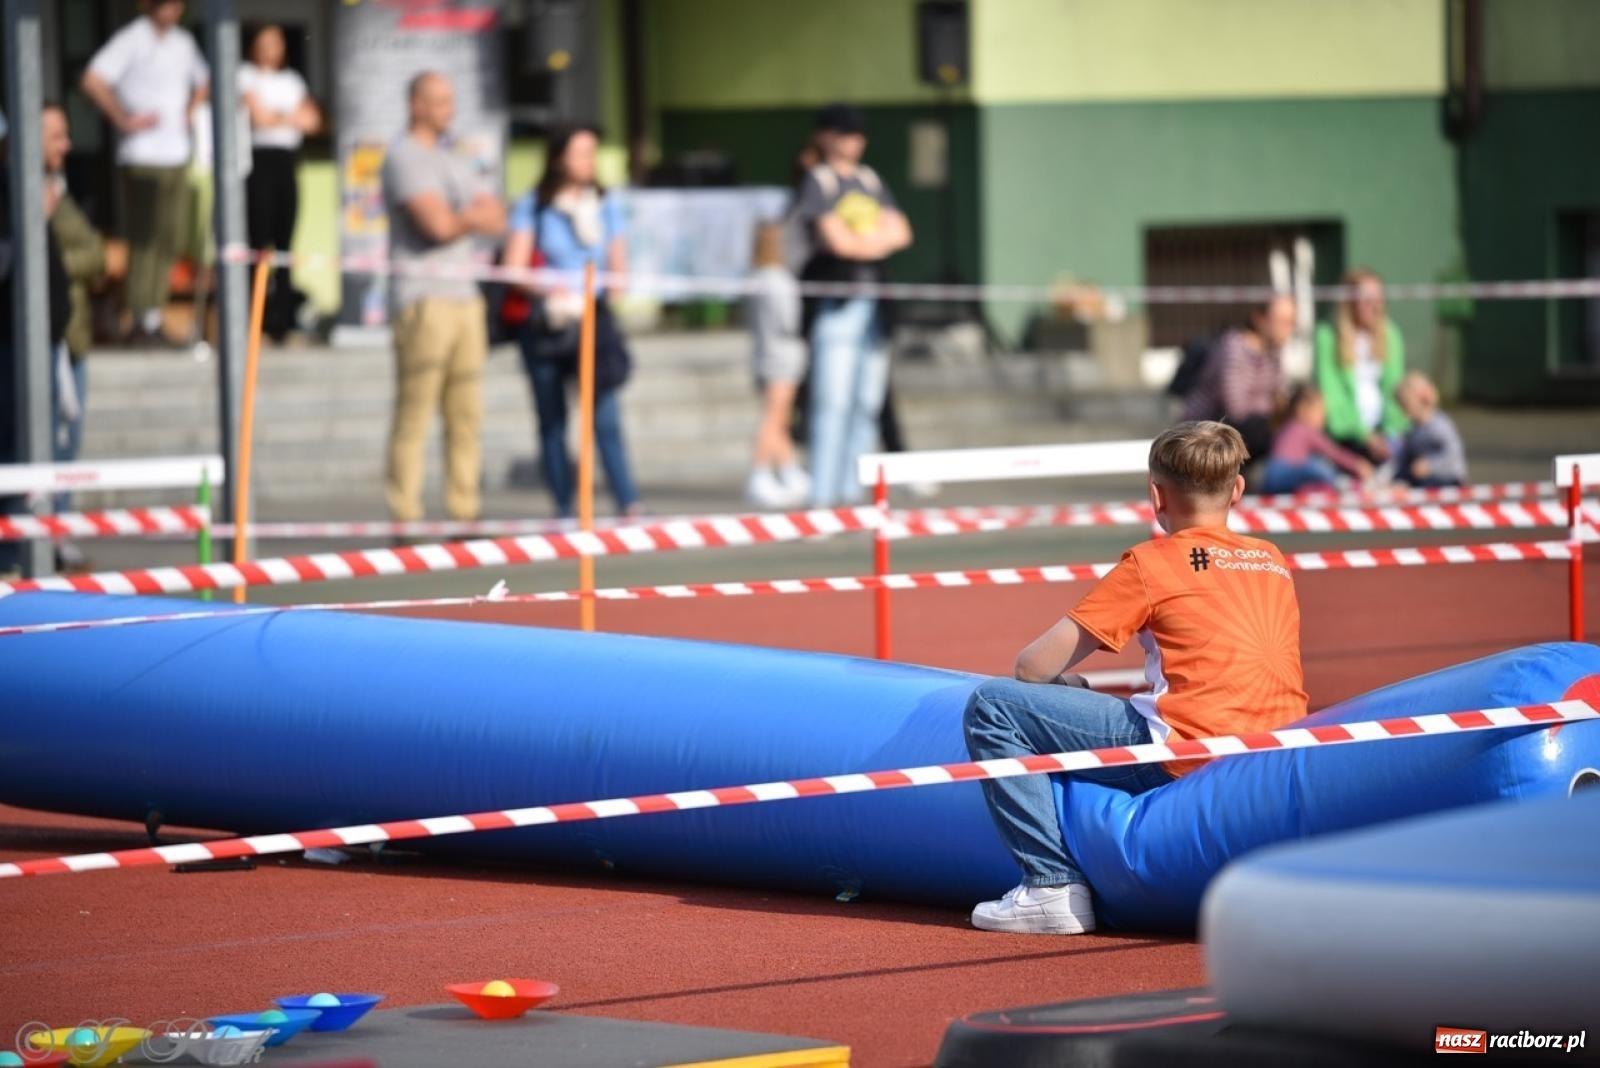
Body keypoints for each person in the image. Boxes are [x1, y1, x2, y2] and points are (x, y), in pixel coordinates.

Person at [963, 421, 1308, 934]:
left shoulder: (1152, 563)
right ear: (1237, 490)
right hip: (1276, 750)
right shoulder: (1271, 559)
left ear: (1155, 496)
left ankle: (1050, 885)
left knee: (992, 706)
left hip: (1186, 750)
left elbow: (1031, 667)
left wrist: (1064, 687)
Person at [381, 71, 505, 525]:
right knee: (415, 413)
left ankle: (464, 512)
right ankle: (405, 517)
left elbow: (495, 215)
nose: (447, 110)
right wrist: (467, 216)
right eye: (438, 101)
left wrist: (463, 216)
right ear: (416, 104)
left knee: (467, 414)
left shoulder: (454, 157)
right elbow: (437, 227)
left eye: (451, 101)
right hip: (422, 298)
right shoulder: (403, 156)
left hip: (465, 297)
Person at [501, 124, 640, 519]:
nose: (588, 162)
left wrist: (608, 286)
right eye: (580, 153)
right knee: (552, 420)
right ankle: (563, 506)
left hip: (593, 320)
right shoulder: (535, 204)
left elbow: (618, 266)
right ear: (560, 157)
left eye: (592, 153)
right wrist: (552, 290)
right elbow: (514, 267)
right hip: (548, 321)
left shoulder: (605, 203)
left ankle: (627, 500)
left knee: (605, 416)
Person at [795, 104, 912, 506]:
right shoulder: (818, 181)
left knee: (867, 402)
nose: (854, 141)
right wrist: (873, 240)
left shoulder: (869, 179)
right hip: (837, 304)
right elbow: (835, 240)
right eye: (845, 133)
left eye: (859, 134)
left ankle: (850, 492)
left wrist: (863, 242)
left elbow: (901, 232)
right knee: (831, 402)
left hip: (875, 304)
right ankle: (822, 497)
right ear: (826, 136)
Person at [82, 0, 209, 346]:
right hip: (141, 154)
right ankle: (139, 315)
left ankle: (154, 313)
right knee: (144, 237)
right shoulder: (132, 38)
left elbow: (205, 80)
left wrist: (190, 110)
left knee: (170, 236)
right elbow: (93, 79)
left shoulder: (184, 42)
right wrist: (123, 118)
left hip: (177, 153)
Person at [0, 135, 74, 578]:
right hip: (13, 345)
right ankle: (11, 553)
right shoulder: (13, 193)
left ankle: (30, 547)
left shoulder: (41, 188)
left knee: (40, 446)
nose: (61, 144)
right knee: (15, 445)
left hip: (46, 340)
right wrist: (34, 219)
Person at [42, 103, 109, 560]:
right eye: (56, 136)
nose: (67, 145)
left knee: (67, 443)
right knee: (41, 444)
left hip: (73, 337)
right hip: (40, 341)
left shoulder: (59, 193)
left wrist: (57, 265)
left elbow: (98, 254)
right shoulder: (23, 191)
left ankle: (56, 532)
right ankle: (34, 539)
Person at [240, 24, 320, 343]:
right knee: (258, 244)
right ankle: (253, 318)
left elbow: (312, 120)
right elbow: (260, 119)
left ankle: (282, 319)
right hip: (258, 161)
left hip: (286, 161)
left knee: (285, 244)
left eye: (276, 43)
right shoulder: (245, 75)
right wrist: (289, 117)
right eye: (265, 43)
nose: (271, 49)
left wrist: (279, 116)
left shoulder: (292, 80)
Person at [1182, 294, 1296, 463]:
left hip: (1243, 430)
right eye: (1283, 322)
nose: (1290, 329)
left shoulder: (1273, 352)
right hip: (1204, 435)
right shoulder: (1233, 348)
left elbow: (1281, 396)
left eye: (1292, 322)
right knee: (1263, 433)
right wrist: (1273, 411)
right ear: (1259, 319)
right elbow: (1236, 408)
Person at [744, 221, 810, 509]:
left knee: (779, 419)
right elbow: (789, 321)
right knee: (774, 418)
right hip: (782, 359)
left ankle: (790, 471)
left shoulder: (755, 278)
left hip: (762, 355)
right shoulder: (780, 280)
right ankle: (759, 472)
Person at [1313, 268, 1409, 464]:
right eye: (1367, 300)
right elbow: (1333, 397)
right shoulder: (1327, 336)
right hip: (1348, 437)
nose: (1375, 307)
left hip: (1386, 433)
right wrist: (1366, 437)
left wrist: (1391, 434)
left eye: (1379, 299)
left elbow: (1395, 389)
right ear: (1349, 302)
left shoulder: (1391, 334)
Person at [1262, 384, 1373, 495]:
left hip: (1270, 478)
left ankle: (1318, 489)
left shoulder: (1285, 426)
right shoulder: (1305, 428)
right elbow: (1334, 453)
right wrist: (1358, 465)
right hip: (1286, 474)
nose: (1324, 419)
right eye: (1321, 413)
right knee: (1316, 465)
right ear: (1303, 410)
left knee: (1311, 467)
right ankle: (1343, 484)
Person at [1392, 372, 1467, 488]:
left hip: (1446, 479)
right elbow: (1406, 459)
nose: (1404, 412)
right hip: (1422, 480)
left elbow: (1452, 455)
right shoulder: (1413, 431)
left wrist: (1430, 465)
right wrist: (1400, 478)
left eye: (1407, 405)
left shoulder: (1439, 425)